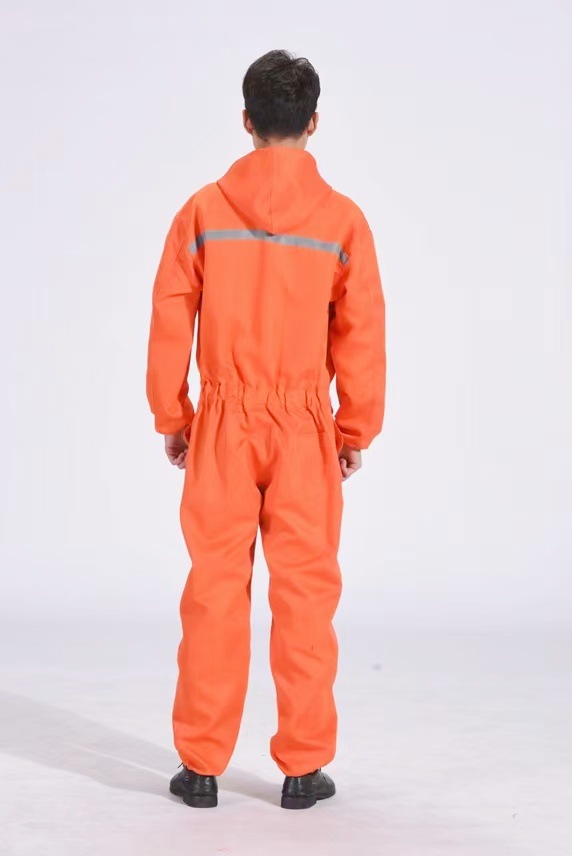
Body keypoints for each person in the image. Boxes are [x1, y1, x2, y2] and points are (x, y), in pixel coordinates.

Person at [146, 49, 386, 810]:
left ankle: (201, 768)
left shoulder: (202, 212)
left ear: (246, 121)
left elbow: (170, 316)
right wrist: (354, 428)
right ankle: (302, 770)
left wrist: (174, 416)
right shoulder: (342, 221)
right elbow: (361, 331)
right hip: (306, 428)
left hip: (221, 424)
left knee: (214, 591)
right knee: (306, 593)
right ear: (314, 122)